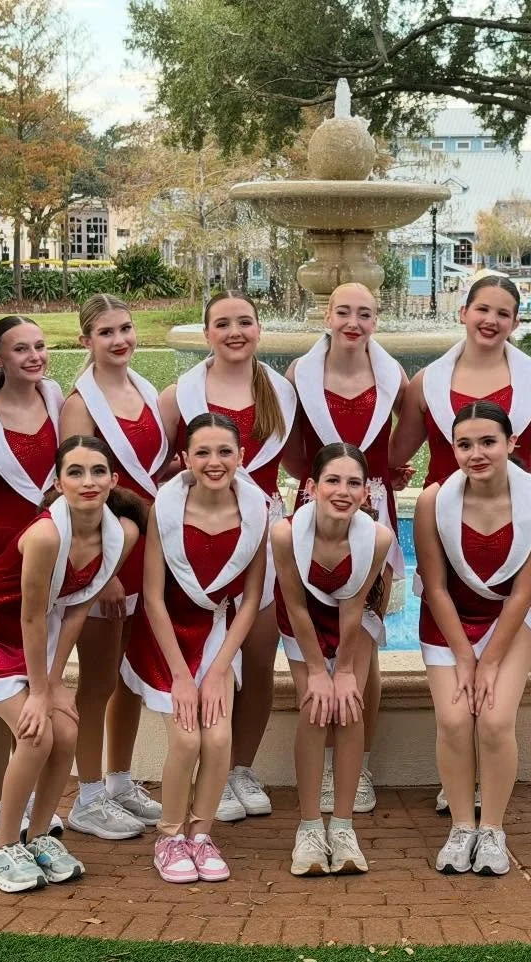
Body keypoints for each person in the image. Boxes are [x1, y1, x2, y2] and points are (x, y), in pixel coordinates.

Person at [0, 437, 143, 892]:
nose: (89, 482)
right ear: (58, 482)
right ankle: (1, 846)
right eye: (76, 472)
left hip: (32, 634)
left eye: (98, 471)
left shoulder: (119, 534)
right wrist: (41, 691)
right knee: (35, 732)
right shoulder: (47, 535)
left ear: (114, 479)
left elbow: (78, 606)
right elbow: (29, 613)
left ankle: (39, 835)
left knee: (66, 729)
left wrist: (55, 684)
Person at [159, 291, 297, 823]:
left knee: (258, 660)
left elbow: (304, 458)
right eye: (222, 323)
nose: (234, 331)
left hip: (258, 534)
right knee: (201, 654)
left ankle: (240, 767)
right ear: (206, 332)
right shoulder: (179, 394)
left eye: (245, 322)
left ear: (259, 329)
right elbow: (154, 468)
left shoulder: (282, 392)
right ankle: (199, 762)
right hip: (199, 538)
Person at [122, 413, 269, 884]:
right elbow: (151, 597)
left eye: (225, 452)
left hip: (216, 639)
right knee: (187, 739)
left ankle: (201, 835)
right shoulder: (165, 511)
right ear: (185, 458)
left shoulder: (256, 512)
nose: (214, 462)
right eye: (202, 452)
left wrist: (220, 669)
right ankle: (169, 836)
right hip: (166, 639)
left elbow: (249, 601)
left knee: (220, 737)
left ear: (241, 457)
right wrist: (183, 678)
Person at [415, 401, 531, 875]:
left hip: (509, 622)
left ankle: (492, 829)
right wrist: (463, 656)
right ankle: (461, 826)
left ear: (512, 444)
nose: (476, 453)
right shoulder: (433, 500)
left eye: (488, 442)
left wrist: (489, 661)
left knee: (494, 721)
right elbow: (434, 586)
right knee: (455, 721)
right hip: (448, 621)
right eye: (464, 444)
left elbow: (524, 591)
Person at [283, 282, 406, 815]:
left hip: (373, 505)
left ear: (376, 320)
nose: (353, 322)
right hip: (322, 505)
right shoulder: (298, 374)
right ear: (326, 315)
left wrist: (385, 472)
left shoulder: (394, 375)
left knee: (366, 646)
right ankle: (322, 762)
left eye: (365, 313)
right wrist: (321, 486)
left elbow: (418, 427)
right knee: (311, 623)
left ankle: (359, 763)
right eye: (343, 312)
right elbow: (288, 447)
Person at [58, 294, 171, 840]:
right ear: (86, 341)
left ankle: (121, 781)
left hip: (149, 547)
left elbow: (150, 467)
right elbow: (82, 491)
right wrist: (108, 569)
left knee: (130, 677)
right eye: (106, 332)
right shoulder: (80, 404)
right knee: (98, 680)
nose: (120, 340)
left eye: (125, 328)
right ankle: (86, 796)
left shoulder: (144, 389)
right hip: (109, 552)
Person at [274, 443, 393, 876]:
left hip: (353, 622)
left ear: (366, 492)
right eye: (333, 480)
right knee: (314, 708)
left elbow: (355, 604)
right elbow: (297, 606)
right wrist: (316, 675)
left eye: (354, 482)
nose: (343, 491)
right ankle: (308, 827)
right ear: (311, 488)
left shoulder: (377, 538)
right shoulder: (285, 533)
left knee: (348, 709)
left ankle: (342, 827)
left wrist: (343, 671)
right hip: (301, 620)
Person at [0, 315, 65, 843]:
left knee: (36, 671)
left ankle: (26, 796)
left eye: (40, 346)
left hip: (50, 548)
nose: (34, 356)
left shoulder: (56, 399)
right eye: (20, 349)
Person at [392, 274, 531, 487]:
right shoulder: (425, 383)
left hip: (512, 510)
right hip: (439, 511)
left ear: (514, 323)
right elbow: (394, 457)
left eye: (503, 314)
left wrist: (525, 473)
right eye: (482, 309)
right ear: (463, 313)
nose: (491, 320)